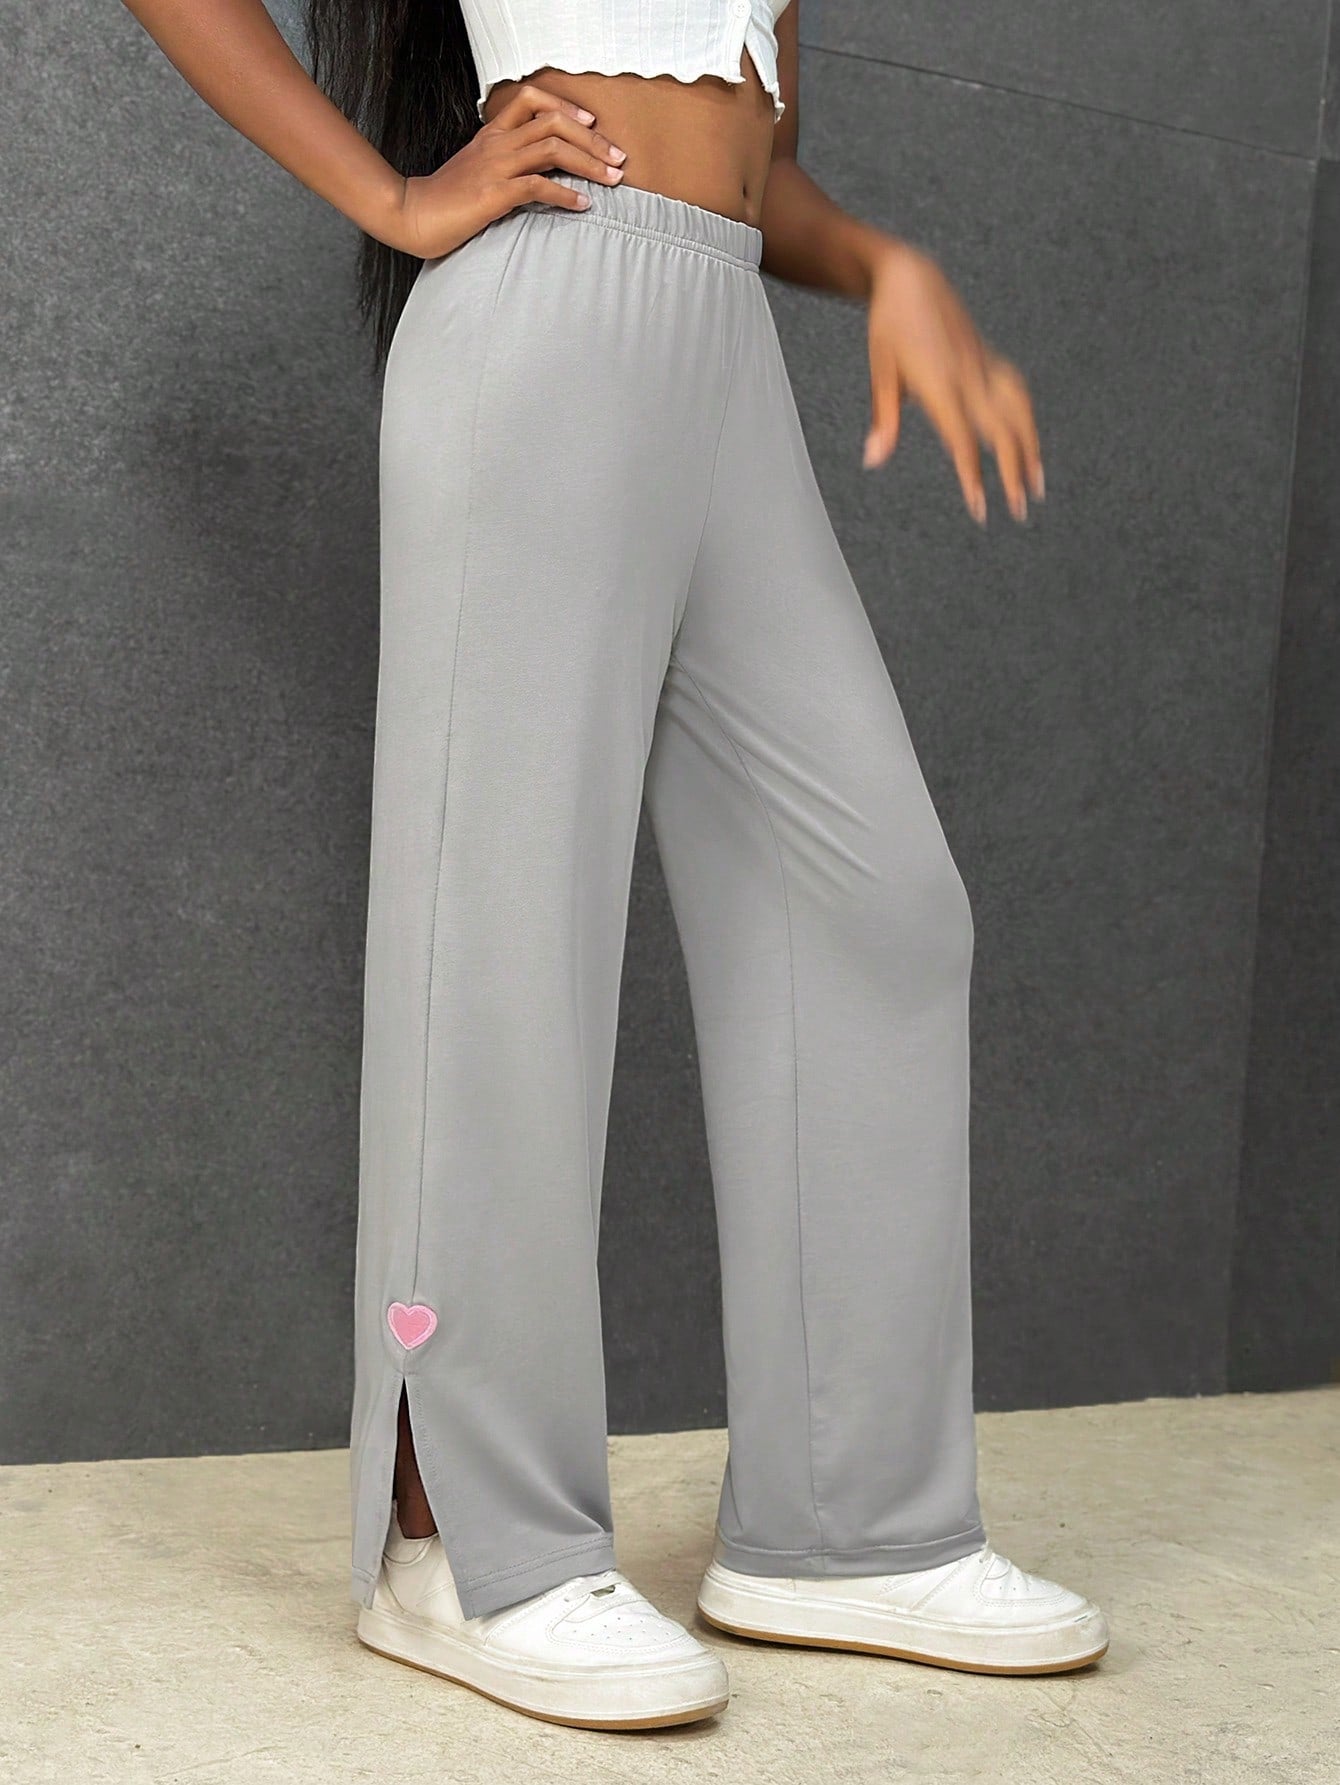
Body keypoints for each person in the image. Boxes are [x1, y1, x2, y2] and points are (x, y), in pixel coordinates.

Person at [120, 0, 1109, 1731]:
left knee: (872, 908)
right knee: (501, 937)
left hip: (720, 354)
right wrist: (396, 198)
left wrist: (887, 266)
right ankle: (461, 1540)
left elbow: (751, 165)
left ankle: (847, 1522)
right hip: (543, 325)